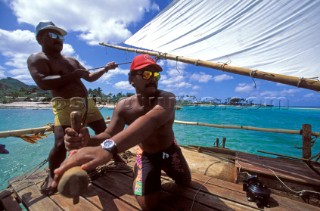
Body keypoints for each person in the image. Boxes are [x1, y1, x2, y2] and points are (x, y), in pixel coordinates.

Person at [53, 54, 191, 210]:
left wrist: (108, 148)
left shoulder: (167, 98)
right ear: (131, 79)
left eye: (156, 74)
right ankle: (141, 166)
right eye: (146, 74)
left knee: (185, 183)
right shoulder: (124, 106)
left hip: (169, 151)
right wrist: (87, 141)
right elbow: (108, 135)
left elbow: (150, 121)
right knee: (148, 205)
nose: (153, 78)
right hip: (147, 155)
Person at [27, 20, 120, 195]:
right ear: (40, 38)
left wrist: (106, 69)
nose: (59, 39)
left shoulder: (71, 60)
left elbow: (90, 77)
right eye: (53, 35)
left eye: (60, 36)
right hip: (64, 105)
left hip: (87, 103)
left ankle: (115, 156)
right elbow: (42, 83)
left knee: (104, 131)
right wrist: (73, 76)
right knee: (61, 143)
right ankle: (53, 175)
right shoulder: (37, 58)